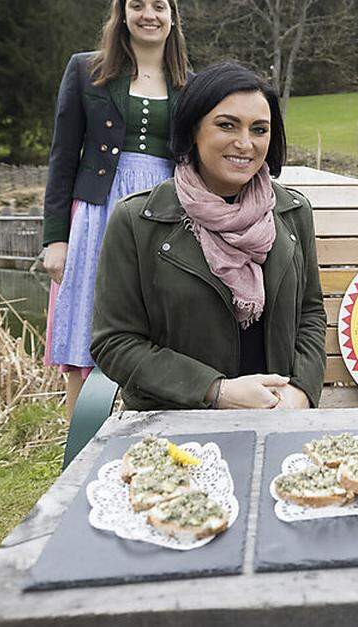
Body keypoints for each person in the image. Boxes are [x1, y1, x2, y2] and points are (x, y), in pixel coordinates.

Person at [91, 62, 326, 411]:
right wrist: (216, 391)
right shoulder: (137, 221)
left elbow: (310, 314)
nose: (245, 143)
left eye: (259, 129)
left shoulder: (292, 212)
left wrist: (301, 392)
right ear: (193, 130)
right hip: (175, 421)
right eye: (226, 125)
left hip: (279, 416)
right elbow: (114, 342)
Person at [42, 0, 191, 417]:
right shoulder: (86, 70)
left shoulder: (190, 83)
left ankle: (152, 433)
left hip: (164, 209)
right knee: (87, 323)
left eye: (158, 7)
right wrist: (55, 238)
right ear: (122, 14)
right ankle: (81, 443)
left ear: (172, 17)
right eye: (138, 6)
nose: (149, 15)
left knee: (160, 321)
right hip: (99, 209)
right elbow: (62, 157)